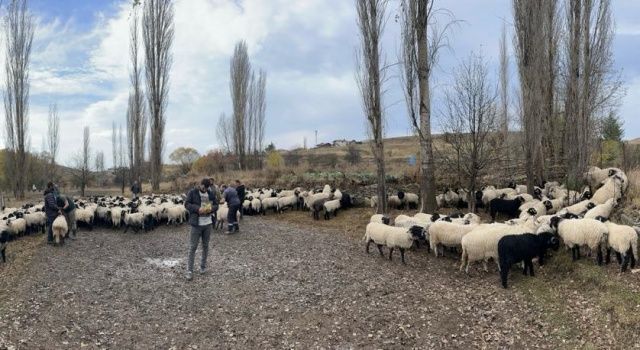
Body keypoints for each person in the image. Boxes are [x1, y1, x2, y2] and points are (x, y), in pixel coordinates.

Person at [184, 178, 218, 281]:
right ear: (200, 184)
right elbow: (187, 204)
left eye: (207, 188)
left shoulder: (210, 193)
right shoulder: (193, 192)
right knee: (192, 247)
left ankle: (203, 267)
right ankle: (189, 271)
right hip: (196, 224)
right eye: (204, 187)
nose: (205, 189)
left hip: (207, 223)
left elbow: (216, 205)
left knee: (205, 246)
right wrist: (197, 209)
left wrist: (211, 209)